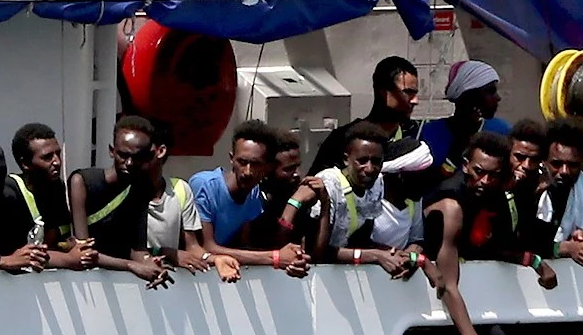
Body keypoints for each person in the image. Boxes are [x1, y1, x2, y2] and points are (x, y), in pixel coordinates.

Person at [418, 133, 560, 335]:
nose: (485, 181)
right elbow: (448, 286)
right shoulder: (452, 205)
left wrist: (535, 262)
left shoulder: (495, 192)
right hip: (430, 305)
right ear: (465, 166)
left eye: (493, 175)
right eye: (479, 172)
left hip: (475, 299)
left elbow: (495, 246)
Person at [192, 120, 309, 281]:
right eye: (242, 162)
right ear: (232, 159)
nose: (247, 171)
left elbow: (244, 245)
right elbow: (207, 247)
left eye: (255, 164)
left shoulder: (254, 194)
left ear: (268, 167)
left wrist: (292, 259)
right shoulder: (204, 185)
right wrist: (275, 257)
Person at [70, 116, 173, 287]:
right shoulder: (82, 182)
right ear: (112, 151)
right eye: (123, 155)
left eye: (137, 157)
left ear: (148, 156)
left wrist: (151, 265)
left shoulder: (141, 187)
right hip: (85, 284)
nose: (129, 163)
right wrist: (131, 266)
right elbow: (84, 251)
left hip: (117, 282)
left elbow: (138, 249)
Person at [309, 123, 418, 276]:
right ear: (346, 159)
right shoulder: (329, 183)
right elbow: (316, 252)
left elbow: (361, 242)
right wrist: (375, 255)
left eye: (376, 161)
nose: (369, 168)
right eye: (362, 160)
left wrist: (398, 256)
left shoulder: (377, 184)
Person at [311, 55, 424, 173]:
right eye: (407, 92)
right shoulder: (343, 140)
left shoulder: (415, 136)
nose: (415, 101)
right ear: (384, 92)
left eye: (415, 93)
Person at [6, 123, 91, 270]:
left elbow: (59, 238)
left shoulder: (56, 187)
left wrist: (68, 245)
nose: (57, 162)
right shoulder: (9, 193)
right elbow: (20, 256)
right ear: (25, 163)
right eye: (47, 157)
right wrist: (69, 258)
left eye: (58, 153)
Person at [420, 59, 511, 179]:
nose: (498, 98)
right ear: (470, 96)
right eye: (490, 91)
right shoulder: (430, 134)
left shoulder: (502, 131)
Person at [534, 117, 583, 267]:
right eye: (556, 164)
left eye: (573, 165)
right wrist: (566, 248)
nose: (564, 171)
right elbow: (528, 242)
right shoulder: (531, 186)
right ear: (544, 160)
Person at [139, 120, 207, 272]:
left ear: (160, 151)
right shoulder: (121, 190)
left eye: (140, 148)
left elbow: (193, 247)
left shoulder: (181, 189)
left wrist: (216, 259)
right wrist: (167, 253)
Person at [371, 137, 438, 255]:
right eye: (420, 177)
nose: (425, 182)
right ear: (399, 176)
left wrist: (410, 256)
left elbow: (416, 240)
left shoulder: (414, 201)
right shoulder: (370, 196)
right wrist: (390, 254)